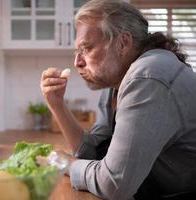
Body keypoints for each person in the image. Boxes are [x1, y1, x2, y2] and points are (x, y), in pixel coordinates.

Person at [40, 0, 196, 199]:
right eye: (76, 52)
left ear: (123, 43)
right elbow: (93, 151)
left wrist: (67, 164)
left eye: (86, 48)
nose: (77, 62)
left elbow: (114, 184)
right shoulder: (117, 82)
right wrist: (57, 105)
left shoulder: (147, 77)